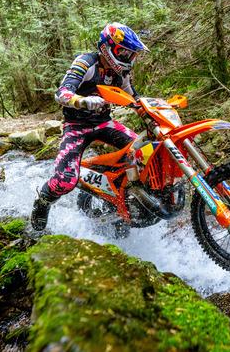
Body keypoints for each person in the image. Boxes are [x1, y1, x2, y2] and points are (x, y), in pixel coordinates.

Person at [31, 22, 148, 230]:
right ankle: (43, 202)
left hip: (104, 123)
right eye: (124, 52)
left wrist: (150, 111)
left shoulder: (121, 73)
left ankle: (121, 200)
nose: (128, 58)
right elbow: (61, 92)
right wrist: (81, 101)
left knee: (142, 152)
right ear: (108, 47)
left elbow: (133, 98)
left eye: (131, 54)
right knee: (65, 180)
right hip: (76, 127)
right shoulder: (86, 62)